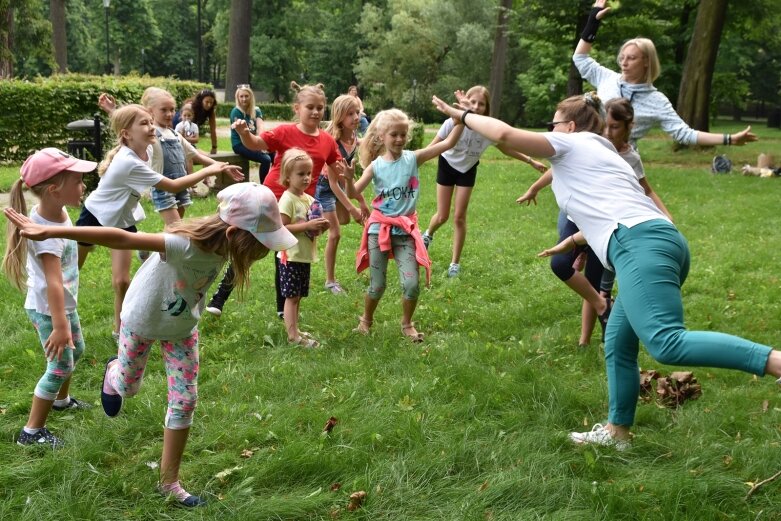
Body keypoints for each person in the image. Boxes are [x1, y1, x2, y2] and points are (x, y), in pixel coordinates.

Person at [431, 91, 781, 450]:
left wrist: (461, 116)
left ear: (568, 126)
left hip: (639, 247)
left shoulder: (571, 143)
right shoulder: (603, 150)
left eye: (552, 123)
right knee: (618, 341)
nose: (549, 130)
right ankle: (618, 432)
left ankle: (775, 362)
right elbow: (614, 205)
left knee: (666, 342)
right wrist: (576, 241)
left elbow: (503, 134)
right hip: (661, 240)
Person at [5, 182, 296, 506]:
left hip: (183, 329)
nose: (265, 250)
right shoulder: (183, 245)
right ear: (232, 234)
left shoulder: (225, 247)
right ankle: (114, 372)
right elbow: (125, 238)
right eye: (262, 243)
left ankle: (169, 481)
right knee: (128, 387)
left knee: (185, 400)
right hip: (140, 322)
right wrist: (52, 234)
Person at [76, 104, 242, 339]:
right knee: (72, 272)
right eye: (144, 123)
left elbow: (190, 151)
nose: (152, 126)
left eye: (150, 121)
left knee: (122, 281)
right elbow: (173, 186)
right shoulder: (127, 161)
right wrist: (208, 172)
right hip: (93, 216)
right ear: (126, 134)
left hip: (120, 219)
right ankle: (59, 314)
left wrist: (219, 165)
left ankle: (119, 330)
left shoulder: (149, 148)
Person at [518, 96, 673, 347]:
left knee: (594, 279)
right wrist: (534, 188)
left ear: (628, 127)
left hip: (607, 221)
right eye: (606, 127)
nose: (609, 132)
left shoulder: (630, 158)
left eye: (615, 127)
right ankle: (599, 314)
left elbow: (645, 189)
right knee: (561, 264)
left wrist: (664, 214)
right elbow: (557, 167)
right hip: (577, 218)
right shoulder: (585, 145)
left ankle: (597, 336)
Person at [206, 82, 346, 318]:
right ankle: (219, 298)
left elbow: (337, 169)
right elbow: (256, 144)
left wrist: (346, 180)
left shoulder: (327, 141)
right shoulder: (284, 132)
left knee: (286, 254)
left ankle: (283, 308)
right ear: (297, 108)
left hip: (299, 206)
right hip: (270, 200)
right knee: (248, 247)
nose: (315, 112)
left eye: (320, 108)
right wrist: (243, 133)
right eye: (310, 107)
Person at [3, 149, 97, 448]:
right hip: (49, 310)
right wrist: (59, 325)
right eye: (79, 181)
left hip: (62, 306)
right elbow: (54, 283)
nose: (83, 186)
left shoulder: (56, 212)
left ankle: (61, 400)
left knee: (76, 350)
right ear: (55, 191)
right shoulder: (48, 235)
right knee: (58, 366)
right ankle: (32, 432)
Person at [573, 0, 757, 148]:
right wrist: (593, 21)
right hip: (591, 151)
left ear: (646, 61)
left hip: (623, 163)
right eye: (622, 57)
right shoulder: (607, 78)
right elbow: (580, 58)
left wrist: (728, 139)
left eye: (631, 58)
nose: (624, 62)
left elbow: (684, 133)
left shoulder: (657, 101)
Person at [349, 109, 464, 342]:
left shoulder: (413, 158)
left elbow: (449, 142)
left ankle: (407, 324)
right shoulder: (376, 166)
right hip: (378, 230)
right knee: (377, 285)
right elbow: (353, 192)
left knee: (411, 284)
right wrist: (346, 177)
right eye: (394, 134)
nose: (400, 139)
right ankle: (366, 320)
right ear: (382, 136)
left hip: (405, 232)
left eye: (403, 134)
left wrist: (461, 118)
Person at [421, 86, 548, 278]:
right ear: (466, 102)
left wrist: (530, 160)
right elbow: (432, 148)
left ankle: (455, 263)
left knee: (459, 217)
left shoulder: (487, 130)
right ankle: (428, 234)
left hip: (467, 170)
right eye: (473, 102)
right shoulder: (451, 122)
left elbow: (507, 149)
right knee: (442, 216)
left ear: (487, 108)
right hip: (447, 165)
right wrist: (413, 163)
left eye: (481, 104)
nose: (477, 106)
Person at [317, 94, 370, 294]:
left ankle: (310, 226)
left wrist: (361, 202)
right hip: (324, 188)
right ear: (340, 117)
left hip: (338, 185)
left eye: (357, 112)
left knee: (343, 220)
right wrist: (354, 207)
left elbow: (346, 177)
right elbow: (333, 182)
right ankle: (330, 281)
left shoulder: (353, 138)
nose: (356, 117)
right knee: (336, 233)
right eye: (350, 114)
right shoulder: (333, 142)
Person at [277, 149, 330, 346]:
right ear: (287, 176)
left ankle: (295, 329)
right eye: (301, 174)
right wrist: (307, 226)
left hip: (303, 255)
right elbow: (282, 227)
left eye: (309, 173)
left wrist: (320, 227)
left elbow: (311, 227)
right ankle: (293, 336)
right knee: (291, 297)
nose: (306, 177)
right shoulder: (288, 199)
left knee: (297, 296)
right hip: (290, 256)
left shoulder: (308, 199)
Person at [230, 85, 274, 183]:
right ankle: (264, 185)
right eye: (241, 96)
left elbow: (260, 128)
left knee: (274, 153)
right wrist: (258, 147)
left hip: (254, 140)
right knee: (266, 159)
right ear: (237, 98)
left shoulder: (256, 110)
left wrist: (261, 143)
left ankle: (275, 181)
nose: (244, 99)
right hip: (240, 143)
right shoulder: (236, 112)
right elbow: (244, 133)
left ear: (251, 97)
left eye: (246, 96)